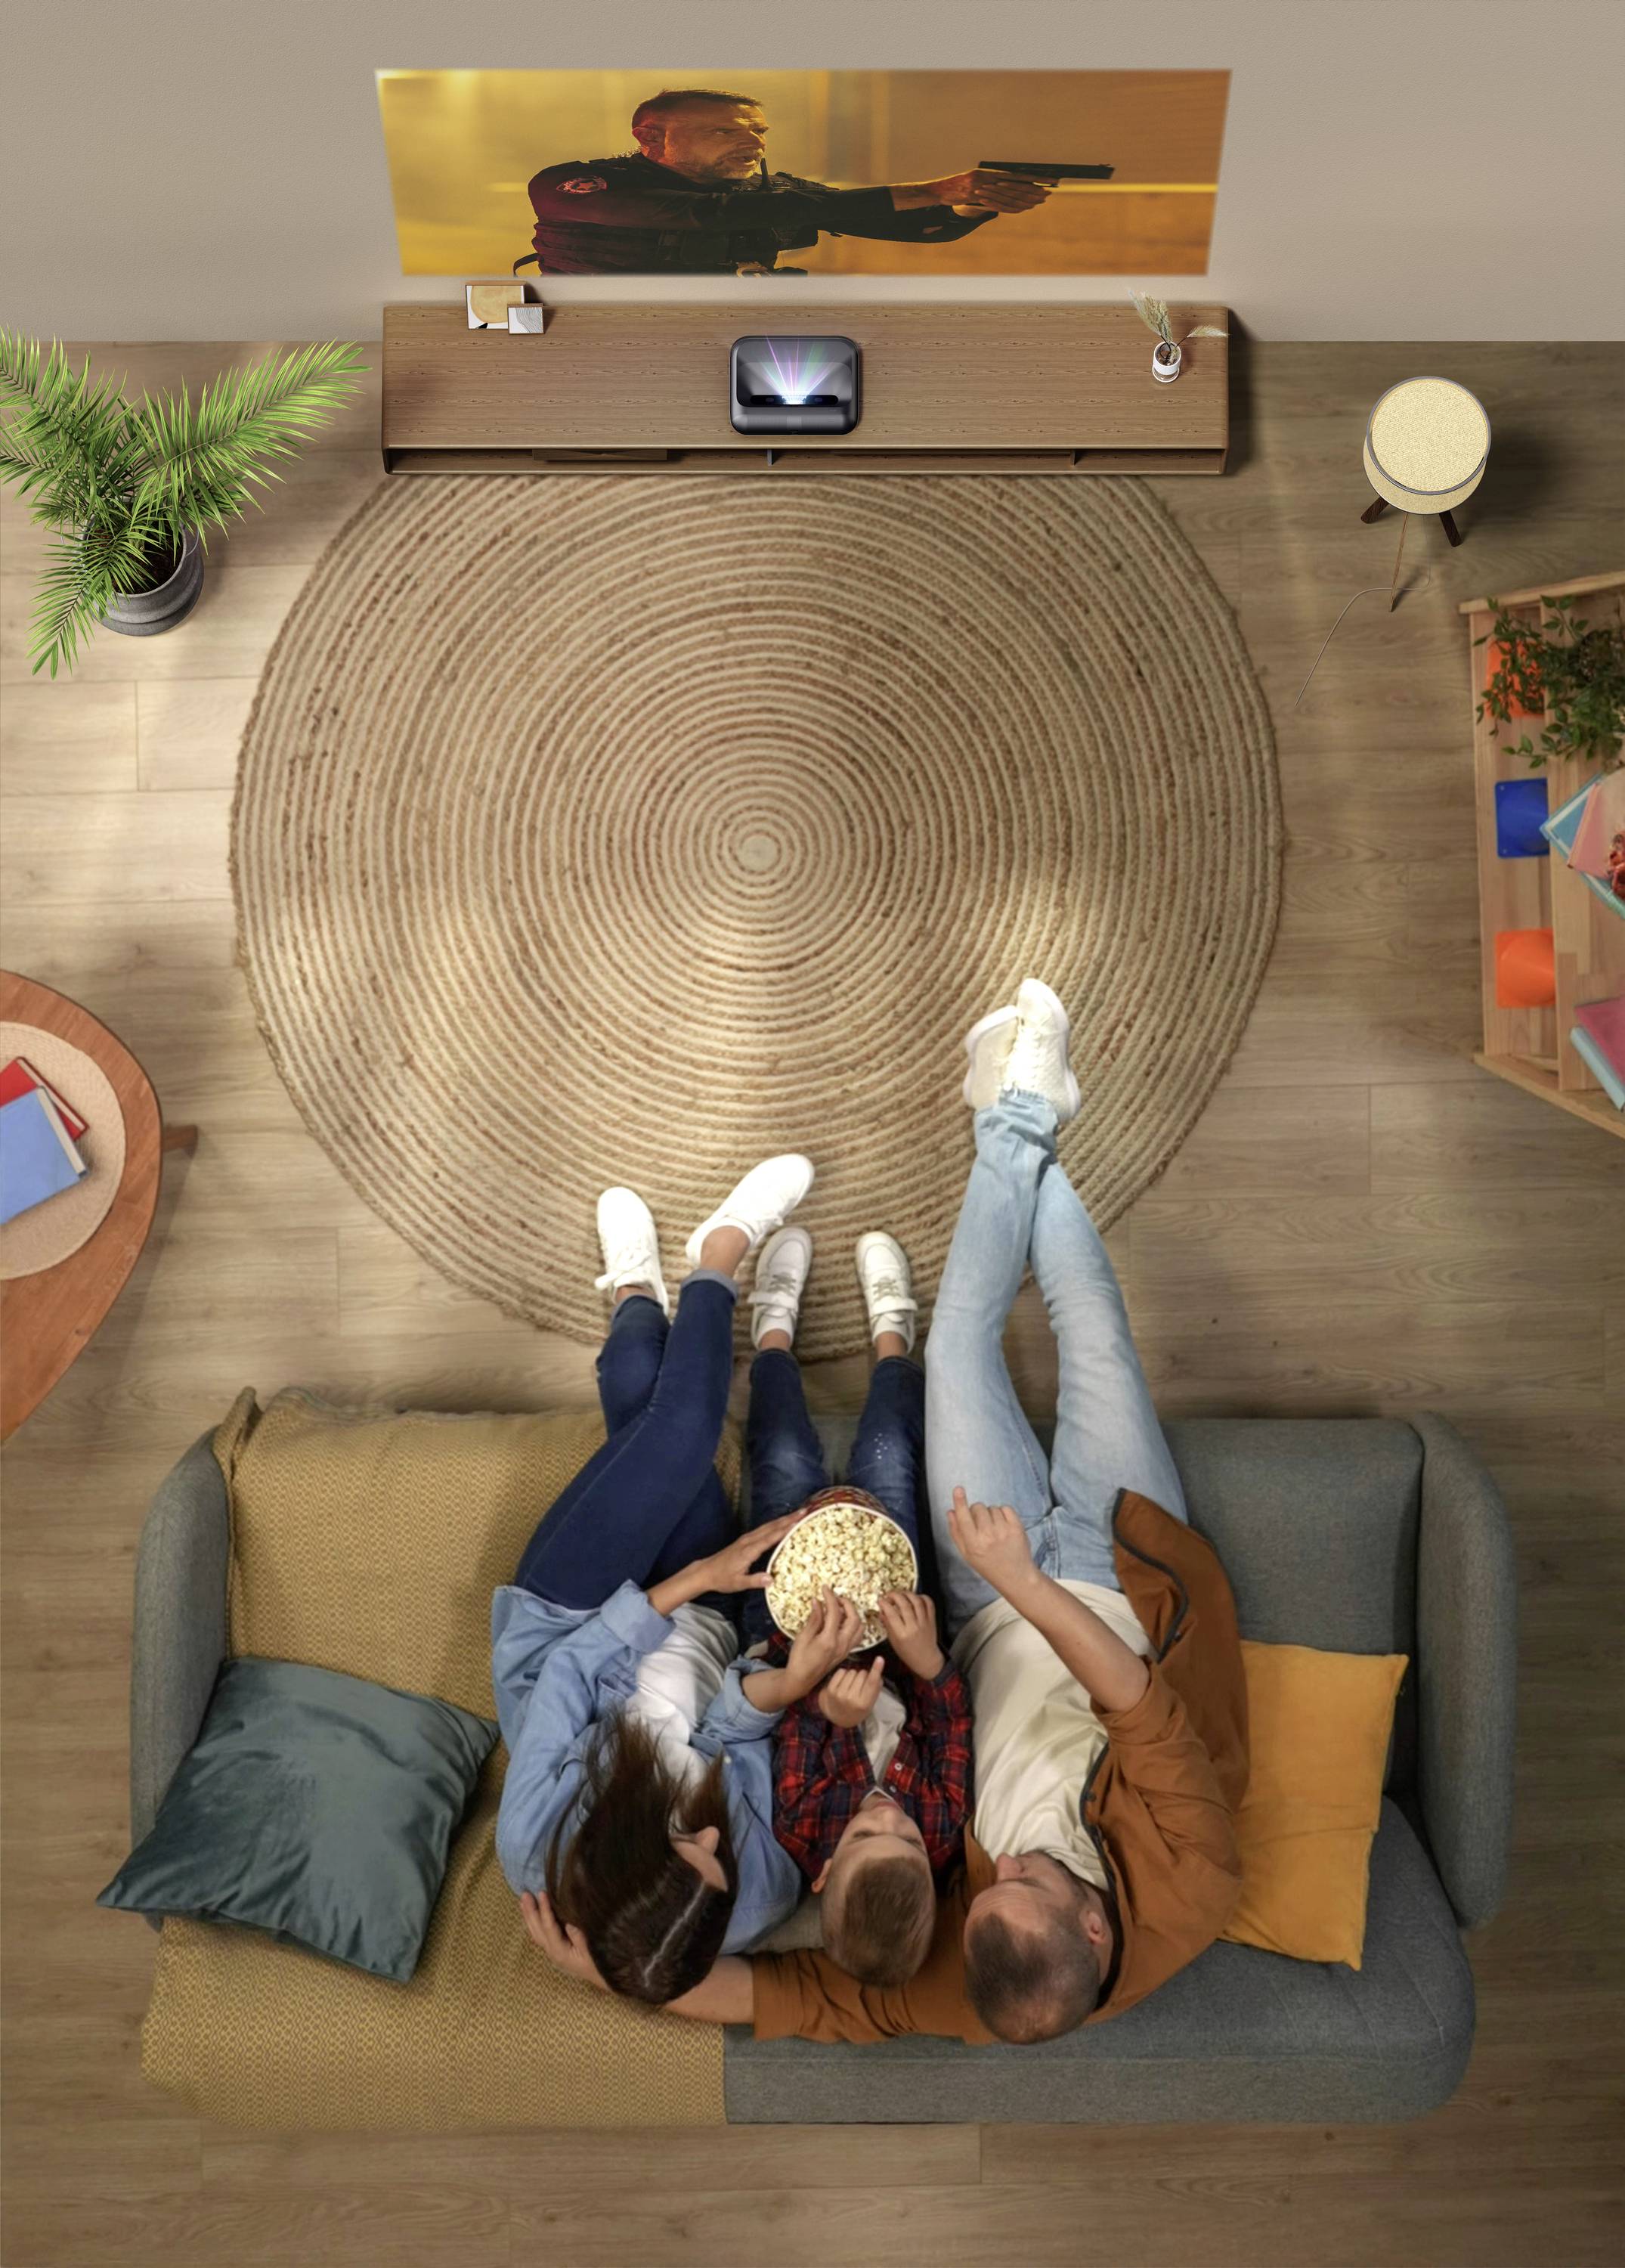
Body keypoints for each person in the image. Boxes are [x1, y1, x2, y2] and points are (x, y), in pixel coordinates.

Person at [529, 982, 1248, 2044]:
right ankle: (1018, 1116)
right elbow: (1137, 1705)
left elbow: (790, 2002)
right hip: (1105, 1575)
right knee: (1090, 1333)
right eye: (1023, 1880)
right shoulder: (1194, 1887)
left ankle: (1018, 1113)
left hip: (976, 1585)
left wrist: (613, 1965)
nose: (994, 1866)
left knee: (956, 1348)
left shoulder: (965, 1959)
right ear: (1092, 1929)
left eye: (982, 1889)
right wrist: (1022, 1583)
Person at [493, 1151, 861, 2006]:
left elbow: (570, 1674)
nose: (707, 1831)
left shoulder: (536, 1844)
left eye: (684, 1843)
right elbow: (732, 1737)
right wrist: (777, 1667)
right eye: (715, 1854)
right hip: (705, 1630)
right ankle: (632, 1296)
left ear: (624, 1851)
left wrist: (697, 1571)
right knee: (639, 1395)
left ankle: (717, 1254)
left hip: (571, 1621)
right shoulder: (743, 1903)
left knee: (685, 1426)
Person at [737, 1225, 973, 1987]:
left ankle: (771, 1332)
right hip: (892, 1626)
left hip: (788, 1634)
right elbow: (949, 1726)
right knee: (886, 1456)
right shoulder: (938, 1827)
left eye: (869, 1833)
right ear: (929, 1862)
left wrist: (829, 1719)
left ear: (824, 1870)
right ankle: (891, 1337)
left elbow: (779, 1719)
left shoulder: (802, 1829)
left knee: (781, 1461)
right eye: (905, 1839)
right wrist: (927, 1662)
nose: (888, 1814)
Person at [520, 85, 1050, 277]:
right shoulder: (578, 183)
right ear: (651, 137)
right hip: (601, 335)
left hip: (728, 333)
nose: (753, 144)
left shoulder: (773, 194)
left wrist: (978, 202)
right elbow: (703, 216)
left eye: (758, 132)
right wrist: (936, 189)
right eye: (724, 131)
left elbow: (930, 230)